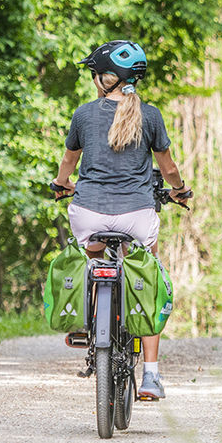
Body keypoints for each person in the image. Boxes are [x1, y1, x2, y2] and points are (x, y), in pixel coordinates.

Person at [51, 39, 190, 400]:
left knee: (94, 258)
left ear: (106, 79)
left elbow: (68, 164)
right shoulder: (152, 116)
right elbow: (168, 168)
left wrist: (62, 184)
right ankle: (152, 377)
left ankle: (87, 319)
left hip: (88, 215)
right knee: (149, 273)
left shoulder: (83, 114)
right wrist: (179, 189)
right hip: (137, 217)